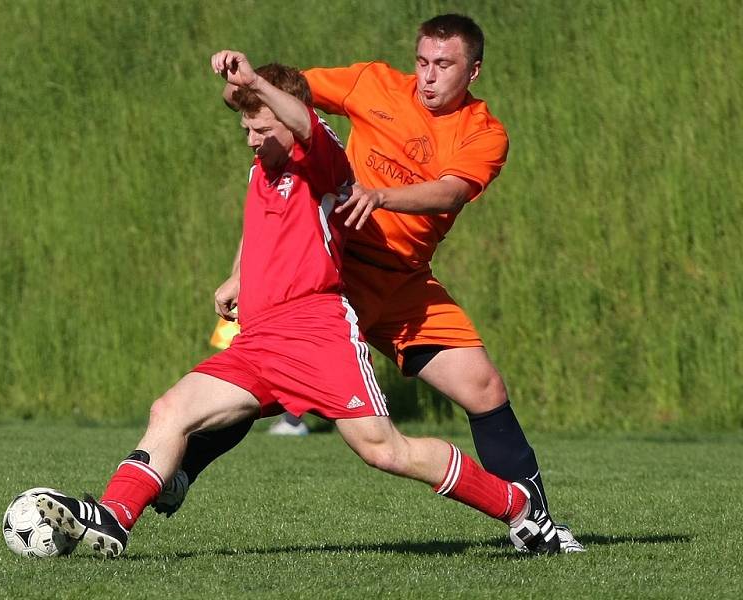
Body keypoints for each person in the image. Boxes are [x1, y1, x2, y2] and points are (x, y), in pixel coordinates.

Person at [34, 51, 560, 558]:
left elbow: (307, 123)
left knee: (384, 450)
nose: (251, 139)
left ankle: (518, 506)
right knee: (169, 410)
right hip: (261, 338)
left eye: (262, 129)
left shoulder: (324, 158)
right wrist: (238, 273)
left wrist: (261, 87)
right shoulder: (264, 163)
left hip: (317, 332)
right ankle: (113, 519)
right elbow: (250, 158)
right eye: (246, 130)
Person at [161, 14, 584, 553]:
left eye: (445, 65)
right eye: (423, 62)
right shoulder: (374, 83)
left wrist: (381, 196)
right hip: (340, 272)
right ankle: (179, 475)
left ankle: (535, 521)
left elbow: (450, 193)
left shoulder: (484, 133)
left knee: (484, 389)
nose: (429, 76)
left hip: (406, 284)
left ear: (473, 71)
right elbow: (274, 105)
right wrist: (237, 75)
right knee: (268, 375)